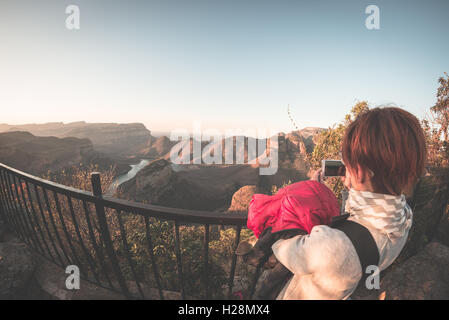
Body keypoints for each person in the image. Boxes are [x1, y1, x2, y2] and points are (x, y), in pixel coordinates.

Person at [271, 106, 427, 299]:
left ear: (360, 171)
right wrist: (353, 185)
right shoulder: (401, 219)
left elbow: (283, 247)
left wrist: (310, 195)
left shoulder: (334, 246)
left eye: (348, 162)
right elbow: (359, 224)